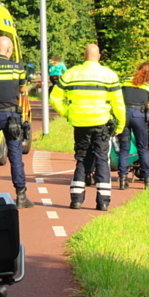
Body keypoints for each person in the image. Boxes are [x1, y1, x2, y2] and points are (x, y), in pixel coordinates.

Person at [50, 44, 125, 211]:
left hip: (80, 124)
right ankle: (103, 201)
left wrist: (68, 113)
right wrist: (120, 123)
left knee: (82, 158)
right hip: (101, 122)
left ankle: (76, 199)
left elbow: (55, 98)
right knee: (102, 159)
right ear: (99, 56)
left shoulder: (71, 74)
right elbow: (118, 103)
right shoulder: (109, 75)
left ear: (84, 56)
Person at [0, 36, 34, 208]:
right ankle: (21, 195)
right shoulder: (17, 68)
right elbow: (23, 89)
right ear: (9, 50)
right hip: (11, 118)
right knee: (16, 156)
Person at [117, 61, 149, 189]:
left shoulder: (125, 80)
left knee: (124, 148)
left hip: (124, 115)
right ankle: (147, 180)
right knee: (143, 148)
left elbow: (117, 97)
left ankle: (123, 180)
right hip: (139, 117)